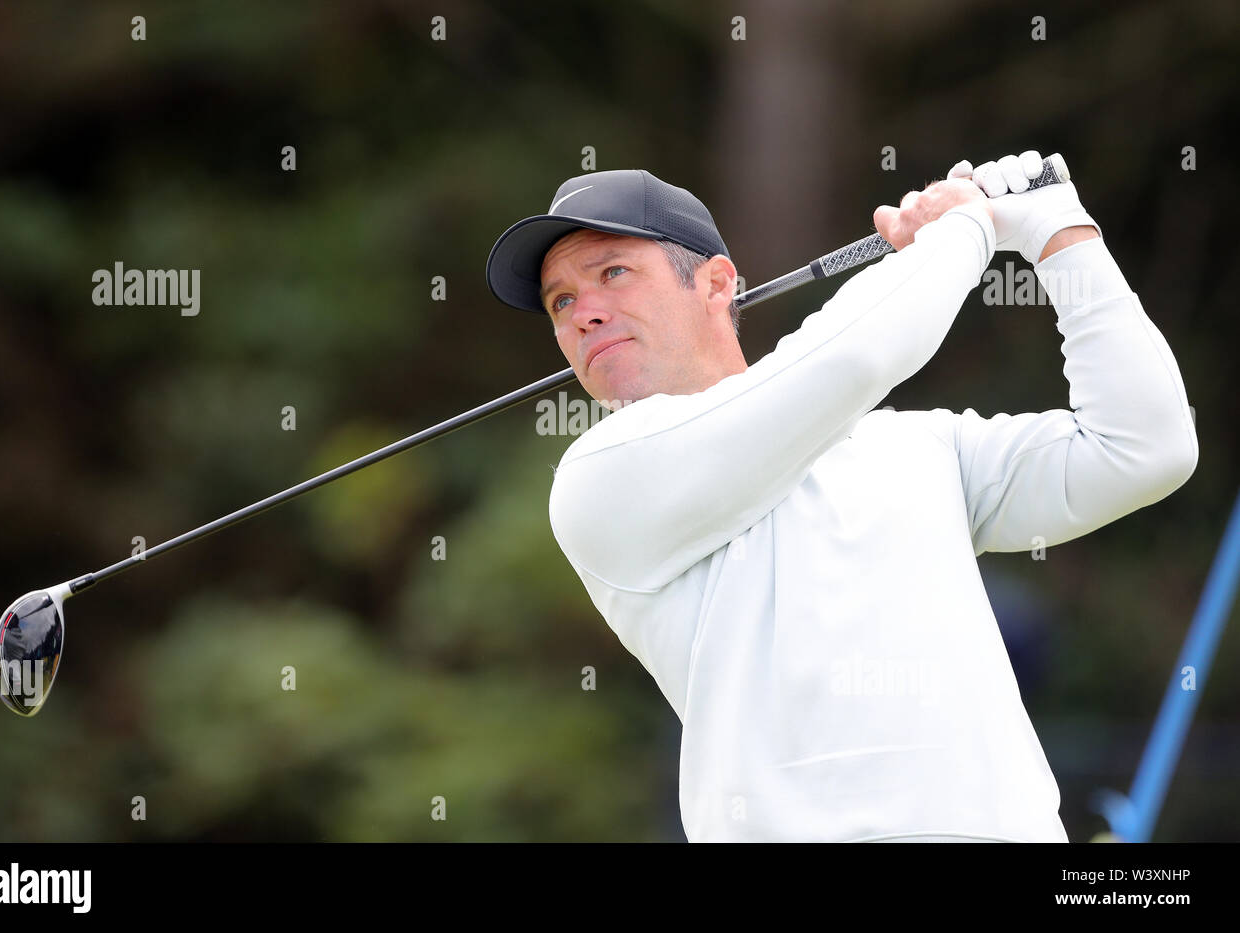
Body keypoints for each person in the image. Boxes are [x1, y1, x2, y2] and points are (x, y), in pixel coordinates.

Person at [484, 153, 1198, 842]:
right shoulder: (601, 478)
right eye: (563, 300)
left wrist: (1059, 236)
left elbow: (1144, 445)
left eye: (613, 273)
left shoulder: (920, 449)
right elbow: (852, 356)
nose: (585, 313)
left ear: (715, 284)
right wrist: (970, 225)